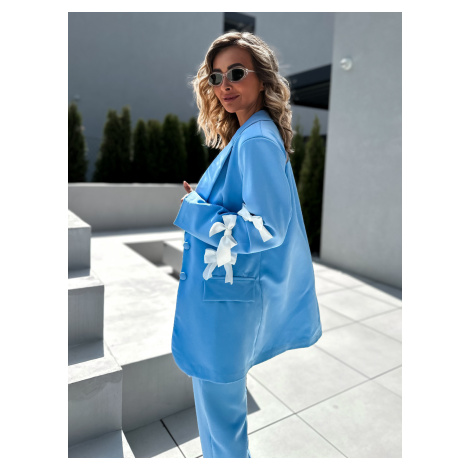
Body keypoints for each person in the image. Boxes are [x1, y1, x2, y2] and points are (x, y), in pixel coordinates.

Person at [172, 31, 322, 458]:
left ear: (263, 78)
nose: (225, 85)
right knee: (219, 422)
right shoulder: (249, 135)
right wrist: (206, 196)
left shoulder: (255, 138)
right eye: (216, 76)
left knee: (223, 429)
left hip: (225, 309)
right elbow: (247, 209)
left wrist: (193, 210)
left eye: (236, 72)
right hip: (224, 300)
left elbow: (266, 227)